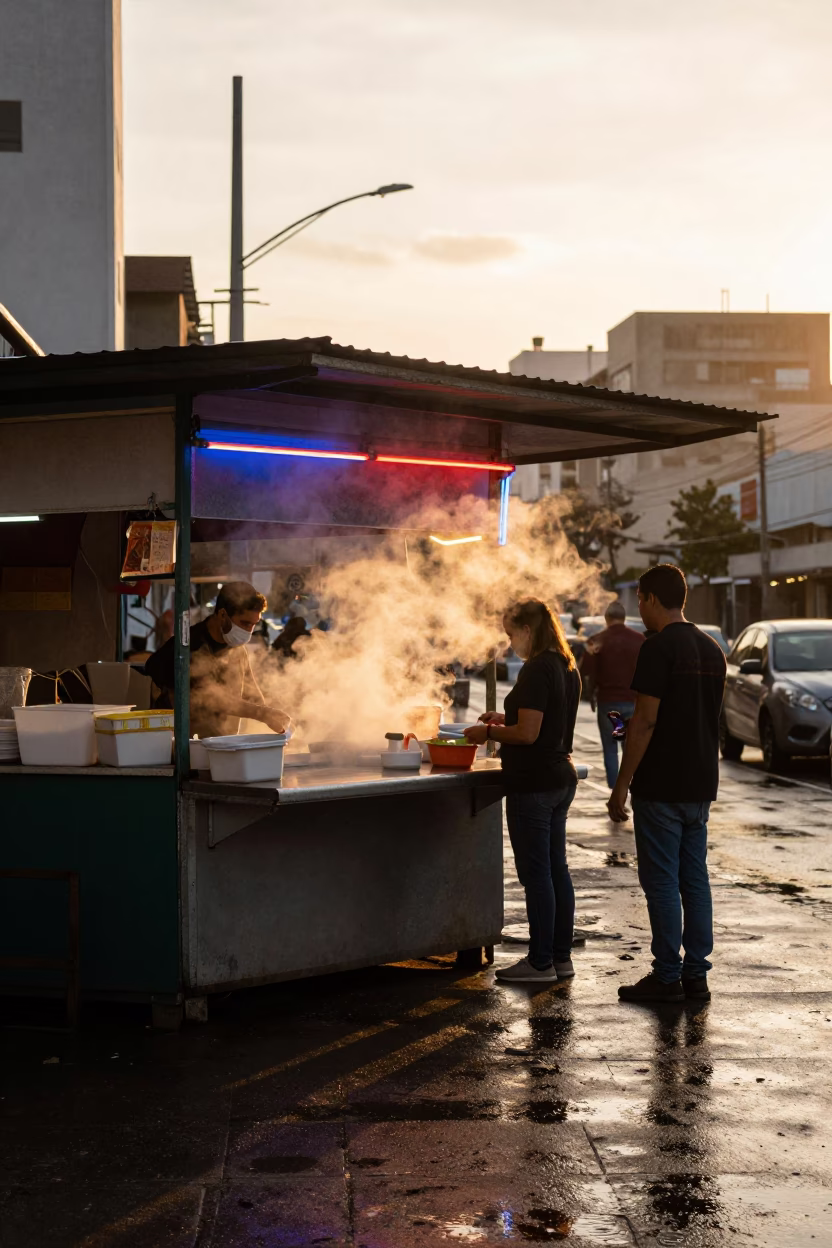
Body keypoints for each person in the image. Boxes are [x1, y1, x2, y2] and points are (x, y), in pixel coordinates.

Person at [608, 564, 726, 1004]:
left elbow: (646, 722)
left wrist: (621, 785)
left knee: (660, 881)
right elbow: (702, 717)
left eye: (640, 599)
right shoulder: (712, 649)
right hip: (700, 783)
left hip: (661, 786)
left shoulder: (656, 649)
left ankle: (666, 976)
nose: (639, 607)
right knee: (694, 880)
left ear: (653, 598)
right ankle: (696, 976)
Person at [465, 599, 581, 984]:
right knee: (556, 870)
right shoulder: (566, 666)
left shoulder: (536, 669)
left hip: (534, 782)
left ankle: (540, 961)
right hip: (560, 777)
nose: (509, 642)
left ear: (527, 630)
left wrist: (490, 732)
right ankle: (560, 958)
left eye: (510, 633)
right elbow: (548, 723)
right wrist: (505, 718)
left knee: (537, 874)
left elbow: (529, 734)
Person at [145, 581, 291, 740]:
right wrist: (263, 714)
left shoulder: (237, 648)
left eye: (254, 625)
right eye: (244, 623)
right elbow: (213, 699)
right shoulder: (190, 646)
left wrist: (277, 720)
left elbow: (252, 694)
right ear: (222, 615)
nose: (249, 631)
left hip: (220, 743)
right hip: (182, 746)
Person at [580, 600, 644, 787]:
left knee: (610, 748)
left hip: (608, 704)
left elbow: (586, 673)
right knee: (630, 748)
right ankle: (631, 786)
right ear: (623, 618)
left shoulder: (596, 640)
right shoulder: (639, 640)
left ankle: (616, 791)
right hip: (632, 703)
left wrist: (591, 694)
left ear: (607, 619)